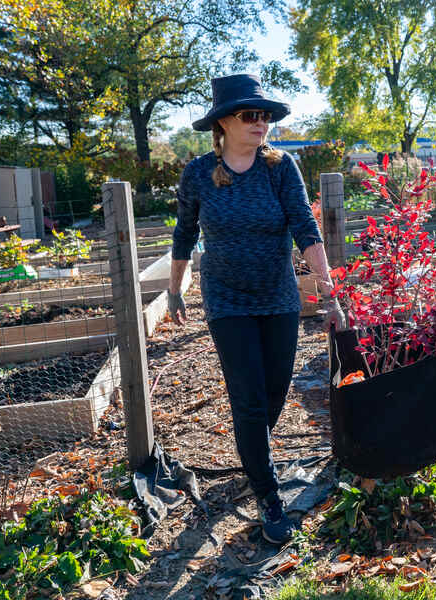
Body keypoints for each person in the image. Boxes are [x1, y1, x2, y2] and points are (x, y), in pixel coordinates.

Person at [168, 74, 345, 545]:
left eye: (264, 114)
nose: (260, 122)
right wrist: (174, 288)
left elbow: (305, 228)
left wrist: (329, 292)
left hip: (279, 298)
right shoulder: (198, 174)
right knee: (247, 399)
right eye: (250, 114)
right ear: (223, 122)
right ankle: (269, 497)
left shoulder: (280, 167)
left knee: (272, 397)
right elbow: (184, 232)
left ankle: (253, 456)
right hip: (227, 302)